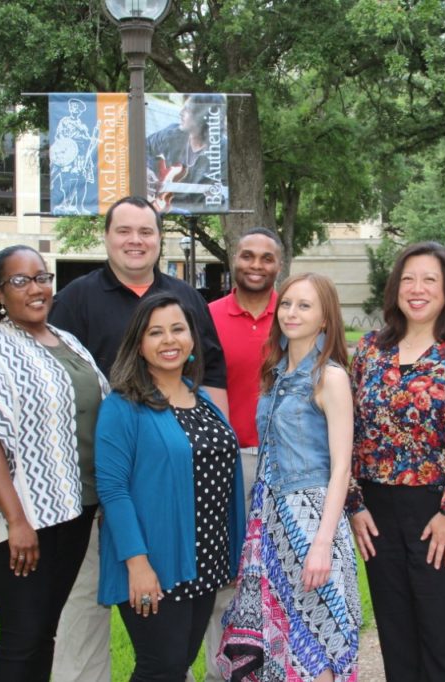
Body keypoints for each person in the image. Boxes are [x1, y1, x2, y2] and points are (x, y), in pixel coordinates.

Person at [49, 196, 228, 682]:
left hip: (181, 508)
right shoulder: (77, 300)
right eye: (124, 231)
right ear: (106, 236)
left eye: (146, 231)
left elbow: (213, 371)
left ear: (159, 238)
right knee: (89, 608)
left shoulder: (186, 297)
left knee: (172, 658)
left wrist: (212, 442)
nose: (135, 240)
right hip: (95, 487)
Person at [0, 245, 109, 681]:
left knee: (44, 631)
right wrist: (17, 521)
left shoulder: (66, 341)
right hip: (17, 517)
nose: (36, 289)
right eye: (20, 281)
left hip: (73, 509)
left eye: (42, 277)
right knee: (23, 634)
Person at [347, 241, 445, 681]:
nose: (417, 289)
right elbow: (348, 430)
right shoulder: (371, 349)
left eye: (429, 279)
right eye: (408, 279)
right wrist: (354, 504)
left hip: (439, 511)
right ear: (395, 287)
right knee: (397, 637)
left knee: (442, 636)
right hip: (377, 512)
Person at [217, 273, 360, 681]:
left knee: (317, 643)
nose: (291, 313)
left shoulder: (329, 377)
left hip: (312, 519)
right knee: (277, 642)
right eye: (287, 304)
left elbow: (341, 467)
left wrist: (322, 544)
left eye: (305, 305)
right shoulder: (275, 374)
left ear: (325, 319)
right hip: (270, 519)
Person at [95, 293, 245, 681]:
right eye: (155, 332)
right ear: (138, 344)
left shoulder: (203, 400)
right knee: (160, 666)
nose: (169, 340)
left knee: (177, 665)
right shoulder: (123, 405)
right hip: (156, 560)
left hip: (206, 558)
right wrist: (138, 564)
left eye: (178, 329)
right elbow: (113, 490)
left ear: (192, 338)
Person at [204, 227, 283, 682]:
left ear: (279, 265)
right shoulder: (207, 316)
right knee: (225, 576)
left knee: (277, 576)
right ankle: (222, 672)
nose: (256, 265)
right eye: (248, 255)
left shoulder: (294, 313)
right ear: (234, 259)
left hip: (284, 466)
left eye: (266, 258)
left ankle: (276, 669)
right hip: (226, 463)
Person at [146, 94, 228, 213]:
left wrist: (215, 198)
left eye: (187, 110)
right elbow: (144, 147)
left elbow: (231, 190)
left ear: (202, 116)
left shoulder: (223, 150)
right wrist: (147, 171)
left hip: (193, 211)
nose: (181, 113)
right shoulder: (171, 133)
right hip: (161, 203)